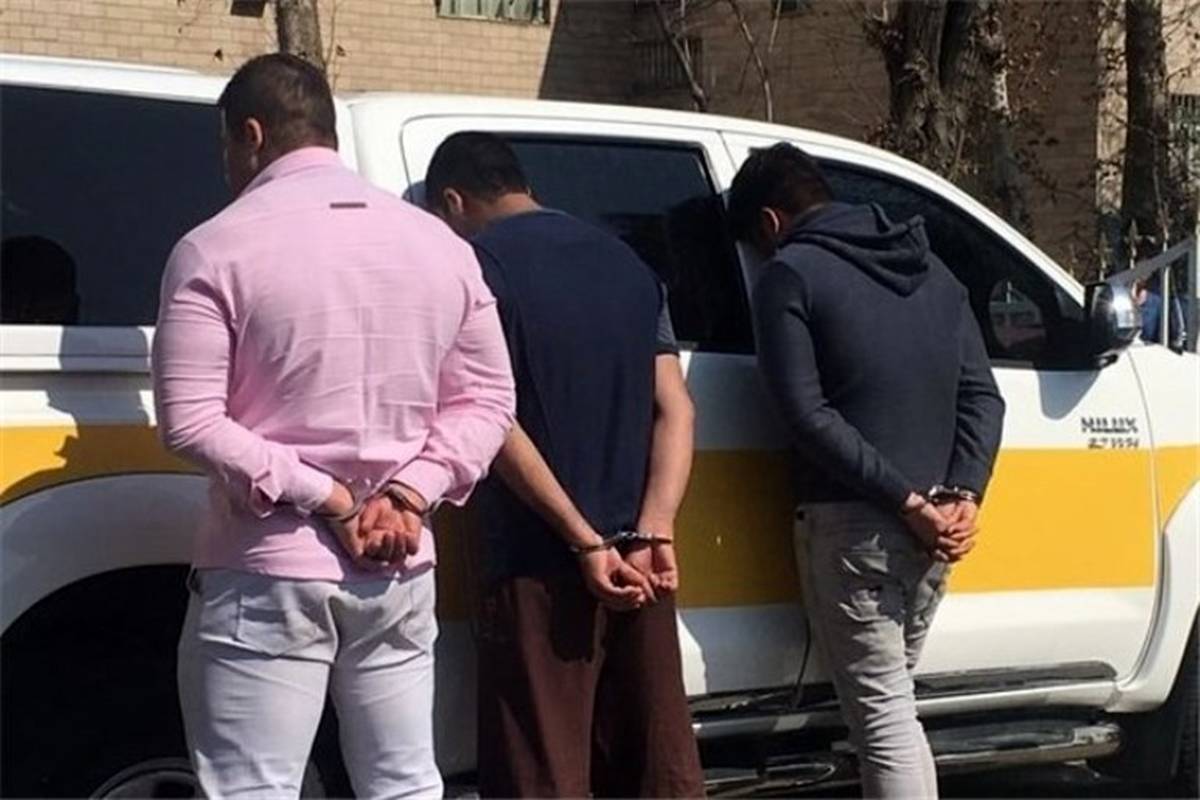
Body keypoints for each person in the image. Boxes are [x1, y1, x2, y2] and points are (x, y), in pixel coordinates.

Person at [152, 55, 515, 798]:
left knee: (254, 787)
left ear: (251, 135)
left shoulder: (214, 247)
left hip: (268, 566)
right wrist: (409, 494)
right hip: (398, 561)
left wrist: (329, 497)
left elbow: (189, 420)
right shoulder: (442, 246)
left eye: (227, 146)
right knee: (404, 782)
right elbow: (488, 401)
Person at [424, 132, 704, 798]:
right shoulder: (629, 264)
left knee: (541, 772)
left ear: (453, 201)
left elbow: (493, 421)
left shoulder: (476, 269)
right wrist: (653, 528)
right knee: (652, 766)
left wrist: (584, 540)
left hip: (537, 567)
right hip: (641, 564)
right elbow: (676, 408)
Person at [728, 143, 1005, 799]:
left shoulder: (790, 274)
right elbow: (982, 395)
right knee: (893, 708)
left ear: (769, 222)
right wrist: (961, 494)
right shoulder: (930, 268)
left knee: (883, 720)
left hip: (857, 524)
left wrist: (906, 501)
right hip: (936, 528)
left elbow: (805, 412)